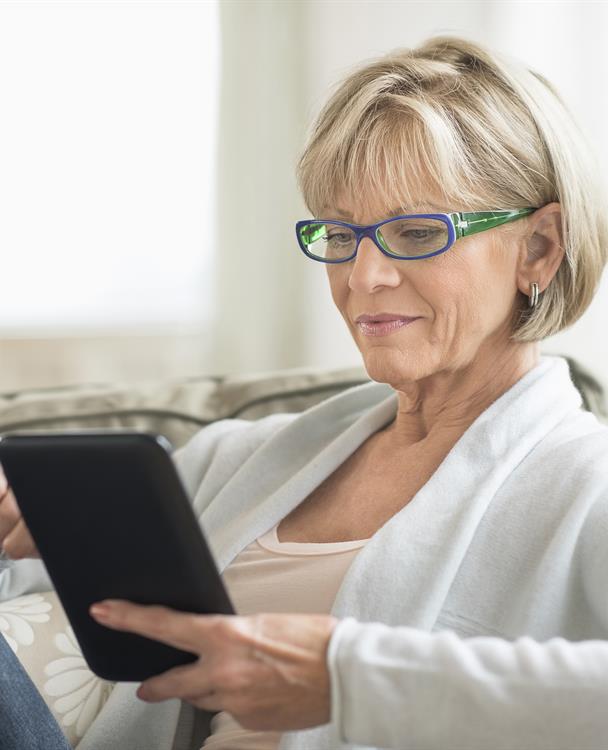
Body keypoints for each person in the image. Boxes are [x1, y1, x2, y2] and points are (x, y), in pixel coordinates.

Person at [2, 34, 608, 750]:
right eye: (341, 233)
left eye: (416, 232)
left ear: (539, 247)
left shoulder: (587, 485)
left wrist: (344, 677)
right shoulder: (236, 460)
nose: (364, 276)